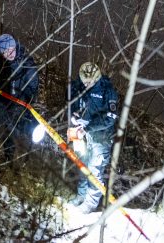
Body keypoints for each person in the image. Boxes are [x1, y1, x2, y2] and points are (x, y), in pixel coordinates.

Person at [0, 33, 39, 163]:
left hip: (16, 104)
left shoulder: (26, 62)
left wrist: (28, 102)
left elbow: (33, 85)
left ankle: (11, 162)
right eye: (5, 51)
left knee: (11, 133)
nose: (10, 53)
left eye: (11, 50)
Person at [69, 61, 119, 214]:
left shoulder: (108, 91)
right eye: (85, 82)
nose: (87, 85)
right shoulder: (80, 87)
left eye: (90, 82)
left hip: (101, 137)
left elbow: (110, 118)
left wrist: (89, 127)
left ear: (97, 78)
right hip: (84, 134)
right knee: (82, 165)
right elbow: (76, 103)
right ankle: (81, 195)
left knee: (94, 169)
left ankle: (90, 203)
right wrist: (75, 114)